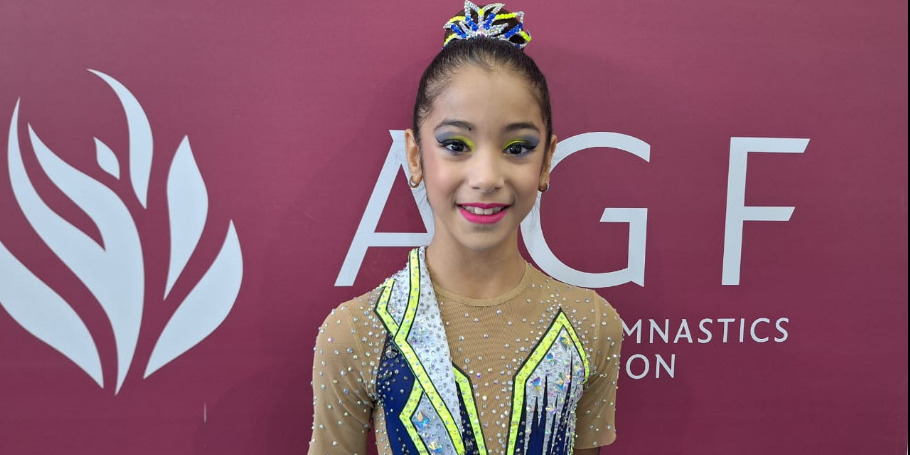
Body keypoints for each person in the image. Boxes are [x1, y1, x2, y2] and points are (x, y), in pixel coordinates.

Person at [309, 3, 623, 454]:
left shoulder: (590, 323)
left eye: (517, 147)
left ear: (546, 161)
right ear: (415, 156)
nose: (486, 177)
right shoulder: (357, 331)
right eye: (456, 144)